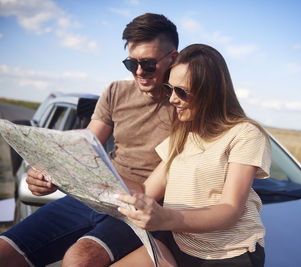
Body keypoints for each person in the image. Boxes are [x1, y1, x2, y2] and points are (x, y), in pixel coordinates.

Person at [0, 13, 178, 267]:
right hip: (92, 198)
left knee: (79, 259)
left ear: (173, 57)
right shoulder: (116, 91)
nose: (139, 72)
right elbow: (84, 145)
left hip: (140, 209)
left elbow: (150, 192)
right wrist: (48, 172)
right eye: (131, 64)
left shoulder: (185, 104)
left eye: (148, 64)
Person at [112, 44, 271, 267]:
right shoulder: (184, 133)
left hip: (226, 256)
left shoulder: (245, 133)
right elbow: (146, 190)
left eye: (182, 92)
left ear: (211, 93)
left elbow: (230, 210)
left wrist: (165, 218)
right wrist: (86, 173)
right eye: (170, 89)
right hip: (179, 244)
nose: (172, 99)